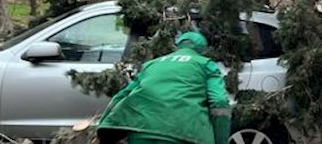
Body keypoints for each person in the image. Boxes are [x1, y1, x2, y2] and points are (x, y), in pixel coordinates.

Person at [96, 32, 231, 144]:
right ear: (203, 50)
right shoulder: (205, 64)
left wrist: (104, 128)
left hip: (141, 131)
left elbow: (122, 96)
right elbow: (219, 101)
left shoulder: (151, 64)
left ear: (177, 46)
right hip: (184, 134)